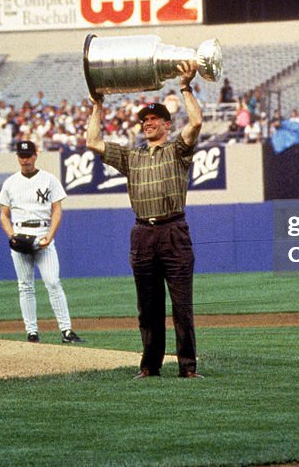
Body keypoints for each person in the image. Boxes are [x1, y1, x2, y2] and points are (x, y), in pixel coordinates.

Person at [85, 60, 203, 379]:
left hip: (173, 231)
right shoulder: (131, 156)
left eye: (155, 118)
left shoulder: (177, 150)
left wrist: (185, 87)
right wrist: (97, 106)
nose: (148, 123)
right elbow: (92, 142)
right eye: (145, 119)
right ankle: (150, 367)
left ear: (167, 124)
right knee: (148, 309)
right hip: (143, 235)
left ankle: (188, 368)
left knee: (181, 307)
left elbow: (196, 122)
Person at [0, 140, 84, 344]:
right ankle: (32, 332)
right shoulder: (10, 182)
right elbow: (3, 215)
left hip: (43, 233)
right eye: (21, 155)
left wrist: (50, 235)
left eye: (28, 155)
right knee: (25, 286)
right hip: (20, 233)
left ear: (36, 155)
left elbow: (57, 210)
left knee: (53, 282)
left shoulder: (49, 179)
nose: (24, 159)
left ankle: (66, 331)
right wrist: (12, 236)